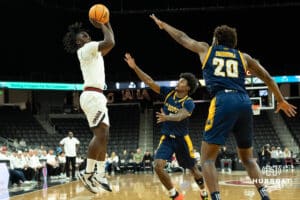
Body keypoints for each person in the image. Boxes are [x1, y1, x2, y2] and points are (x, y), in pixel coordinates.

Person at [150, 14, 297, 200]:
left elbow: (182, 37)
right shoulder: (244, 57)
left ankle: (216, 198)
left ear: (216, 40)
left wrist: (164, 25)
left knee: (207, 159)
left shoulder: (207, 50)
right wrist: (281, 100)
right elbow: (268, 78)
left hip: (223, 100)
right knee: (249, 159)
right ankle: (265, 196)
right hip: (244, 102)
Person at [124, 53, 208, 200]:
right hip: (167, 138)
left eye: (182, 82)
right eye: (179, 80)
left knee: (193, 169)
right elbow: (149, 81)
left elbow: (181, 115)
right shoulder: (169, 93)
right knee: (157, 166)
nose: (178, 82)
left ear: (187, 88)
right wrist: (134, 67)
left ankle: (203, 191)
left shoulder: (188, 102)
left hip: (182, 140)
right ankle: (174, 194)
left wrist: (166, 117)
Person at [63, 17, 115, 193]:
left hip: (97, 95)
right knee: (100, 134)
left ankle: (100, 173)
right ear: (79, 41)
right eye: (85, 35)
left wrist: (107, 23)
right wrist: (102, 24)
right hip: (92, 95)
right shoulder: (86, 48)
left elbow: (110, 44)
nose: (88, 36)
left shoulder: (92, 51)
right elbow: (110, 41)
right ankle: (87, 172)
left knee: (104, 136)